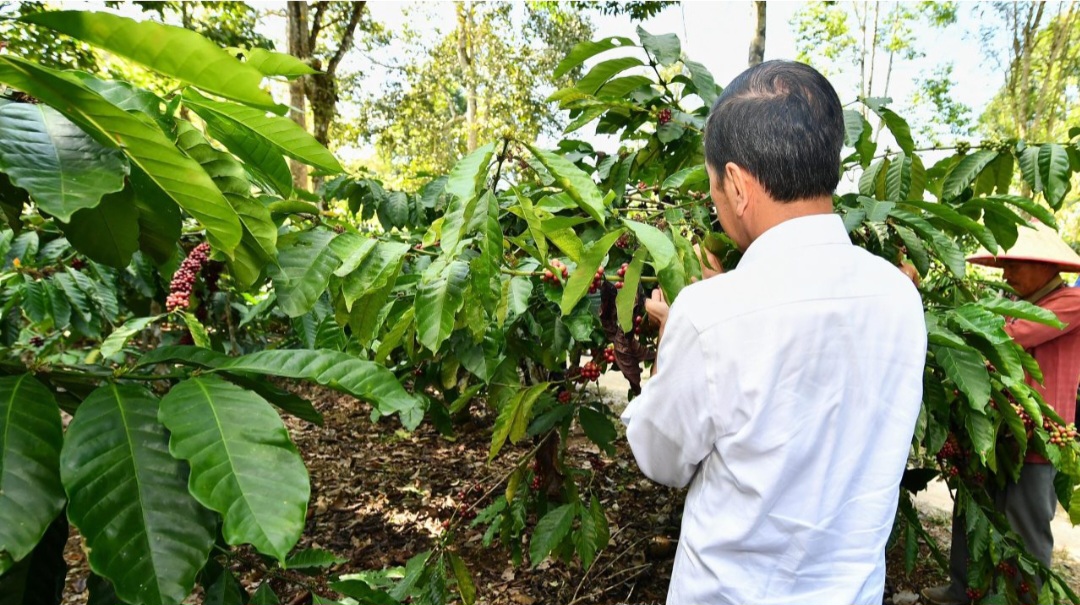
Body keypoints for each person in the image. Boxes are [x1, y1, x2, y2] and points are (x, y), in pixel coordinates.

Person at [618, 60, 927, 605]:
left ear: (735, 184)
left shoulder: (709, 314)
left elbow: (660, 458)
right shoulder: (900, 296)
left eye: (715, 185)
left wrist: (677, 335)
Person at [922, 222, 1080, 605]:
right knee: (971, 512)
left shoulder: (1069, 303)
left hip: (1036, 437)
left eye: (1015, 266)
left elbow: (1009, 335)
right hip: (991, 431)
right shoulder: (1017, 305)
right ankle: (963, 589)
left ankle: (1023, 600)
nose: (1006, 275)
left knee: (1026, 528)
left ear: (1046, 267)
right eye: (1004, 267)